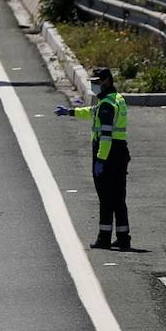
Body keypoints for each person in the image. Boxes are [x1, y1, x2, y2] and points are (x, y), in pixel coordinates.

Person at [56, 67, 131, 250]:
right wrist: (71, 112)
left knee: (106, 198)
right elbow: (92, 111)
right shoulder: (116, 99)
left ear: (106, 81)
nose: (94, 85)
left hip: (108, 154)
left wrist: (100, 160)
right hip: (120, 152)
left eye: (97, 82)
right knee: (119, 197)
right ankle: (123, 238)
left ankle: (104, 238)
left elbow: (105, 136)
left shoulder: (107, 104)